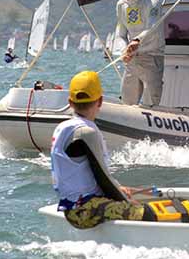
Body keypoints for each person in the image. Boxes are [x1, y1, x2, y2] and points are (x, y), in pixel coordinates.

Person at [50, 71, 157, 229]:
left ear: (70, 102)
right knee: (148, 212)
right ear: (100, 101)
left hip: (72, 207)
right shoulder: (86, 132)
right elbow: (103, 178)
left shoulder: (63, 128)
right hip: (85, 211)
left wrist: (119, 189)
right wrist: (127, 202)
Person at [105, 0, 165, 106]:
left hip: (152, 56)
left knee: (152, 102)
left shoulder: (151, 1)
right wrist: (124, 50)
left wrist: (137, 41)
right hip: (132, 58)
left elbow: (152, 27)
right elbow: (120, 33)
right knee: (127, 101)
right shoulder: (120, 6)